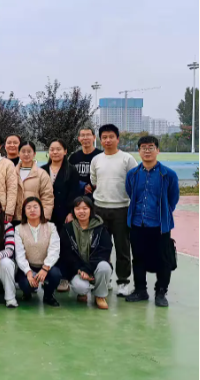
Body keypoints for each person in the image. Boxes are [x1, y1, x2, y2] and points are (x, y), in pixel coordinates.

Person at [125, 136, 179, 307]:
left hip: (160, 225)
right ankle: (141, 290)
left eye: (151, 147)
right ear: (139, 151)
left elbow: (173, 199)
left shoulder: (168, 175)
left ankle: (161, 292)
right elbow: (130, 193)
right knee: (138, 258)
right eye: (143, 148)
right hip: (137, 224)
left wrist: (162, 213)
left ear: (157, 150)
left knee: (163, 260)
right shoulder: (133, 174)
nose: (147, 151)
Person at [90, 124, 138, 297]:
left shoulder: (127, 159)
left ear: (118, 139)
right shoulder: (96, 160)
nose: (108, 140)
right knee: (101, 247)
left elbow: (135, 182)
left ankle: (123, 282)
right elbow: (94, 181)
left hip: (122, 209)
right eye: (104, 137)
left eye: (111, 137)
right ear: (100, 140)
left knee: (122, 247)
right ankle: (105, 278)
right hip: (100, 209)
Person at [59, 197, 113, 310]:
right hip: (78, 270)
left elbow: (104, 251)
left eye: (85, 208)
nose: (81, 211)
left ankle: (100, 295)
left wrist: (87, 269)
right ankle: (82, 293)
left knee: (105, 267)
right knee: (80, 287)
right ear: (73, 211)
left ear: (91, 210)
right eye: (78, 208)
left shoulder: (101, 228)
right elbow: (66, 254)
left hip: (95, 267)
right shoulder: (67, 229)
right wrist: (80, 269)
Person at [40, 139, 80, 292]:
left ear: (65, 151)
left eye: (58, 149)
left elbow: (75, 193)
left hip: (65, 215)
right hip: (46, 215)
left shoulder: (71, 170)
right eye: (52, 149)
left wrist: (71, 213)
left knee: (64, 246)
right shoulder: (42, 170)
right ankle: (49, 276)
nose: (55, 152)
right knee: (47, 246)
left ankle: (64, 278)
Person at [14, 197, 62, 306]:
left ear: (41, 210)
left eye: (35, 207)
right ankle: (27, 292)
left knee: (56, 274)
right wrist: (28, 272)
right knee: (26, 284)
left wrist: (45, 268)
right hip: (28, 266)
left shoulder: (51, 227)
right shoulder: (18, 229)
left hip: (45, 266)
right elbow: (19, 254)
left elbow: (54, 249)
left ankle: (48, 295)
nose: (32, 210)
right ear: (24, 211)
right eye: (28, 208)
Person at [14, 141, 54, 224]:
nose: (26, 154)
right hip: (15, 218)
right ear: (18, 153)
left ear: (34, 154)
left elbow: (47, 197)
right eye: (23, 151)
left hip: (34, 218)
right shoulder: (12, 173)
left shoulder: (42, 174)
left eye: (29, 151)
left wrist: (45, 217)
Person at [69, 127, 102, 197]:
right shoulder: (73, 157)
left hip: (97, 196)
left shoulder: (101, 156)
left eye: (88, 135)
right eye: (82, 135)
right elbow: (69, 176)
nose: (85, 138)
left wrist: (92, 186)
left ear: (94, 137)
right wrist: (82, 186)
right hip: (78, 196)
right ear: (79, 138)